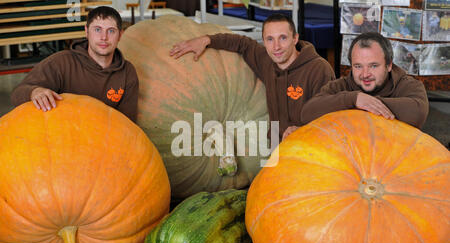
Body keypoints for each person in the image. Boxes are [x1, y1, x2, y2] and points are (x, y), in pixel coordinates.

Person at [169, 14, 335, 141]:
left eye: (283, 38)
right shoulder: (267, 61)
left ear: (295, 38)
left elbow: (332, 119)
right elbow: (243, 44)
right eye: (270, 39)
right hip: (277, 149)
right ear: (264, 41)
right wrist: (207, 40)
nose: (276, 46)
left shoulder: (319, 69)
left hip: (310, 147)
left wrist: (302, 129)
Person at [10, 6, 139, 122]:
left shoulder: (127, 73)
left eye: (111, 31)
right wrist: (34, 92)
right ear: (86, 31)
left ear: (120, 35)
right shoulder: (60, 63)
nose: (104, 37)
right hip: (60, 137)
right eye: (97, 29)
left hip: (104, 141)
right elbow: (17, 94)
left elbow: (127, 124)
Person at [301, 32, 428, 129]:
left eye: (373, 66)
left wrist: (367, 103)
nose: (365, 74)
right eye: (358, 66)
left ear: (389, 65)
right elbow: (307, 114)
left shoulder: (409, 85)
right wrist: (354, 99)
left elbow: (418, 113)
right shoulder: (339, 86)